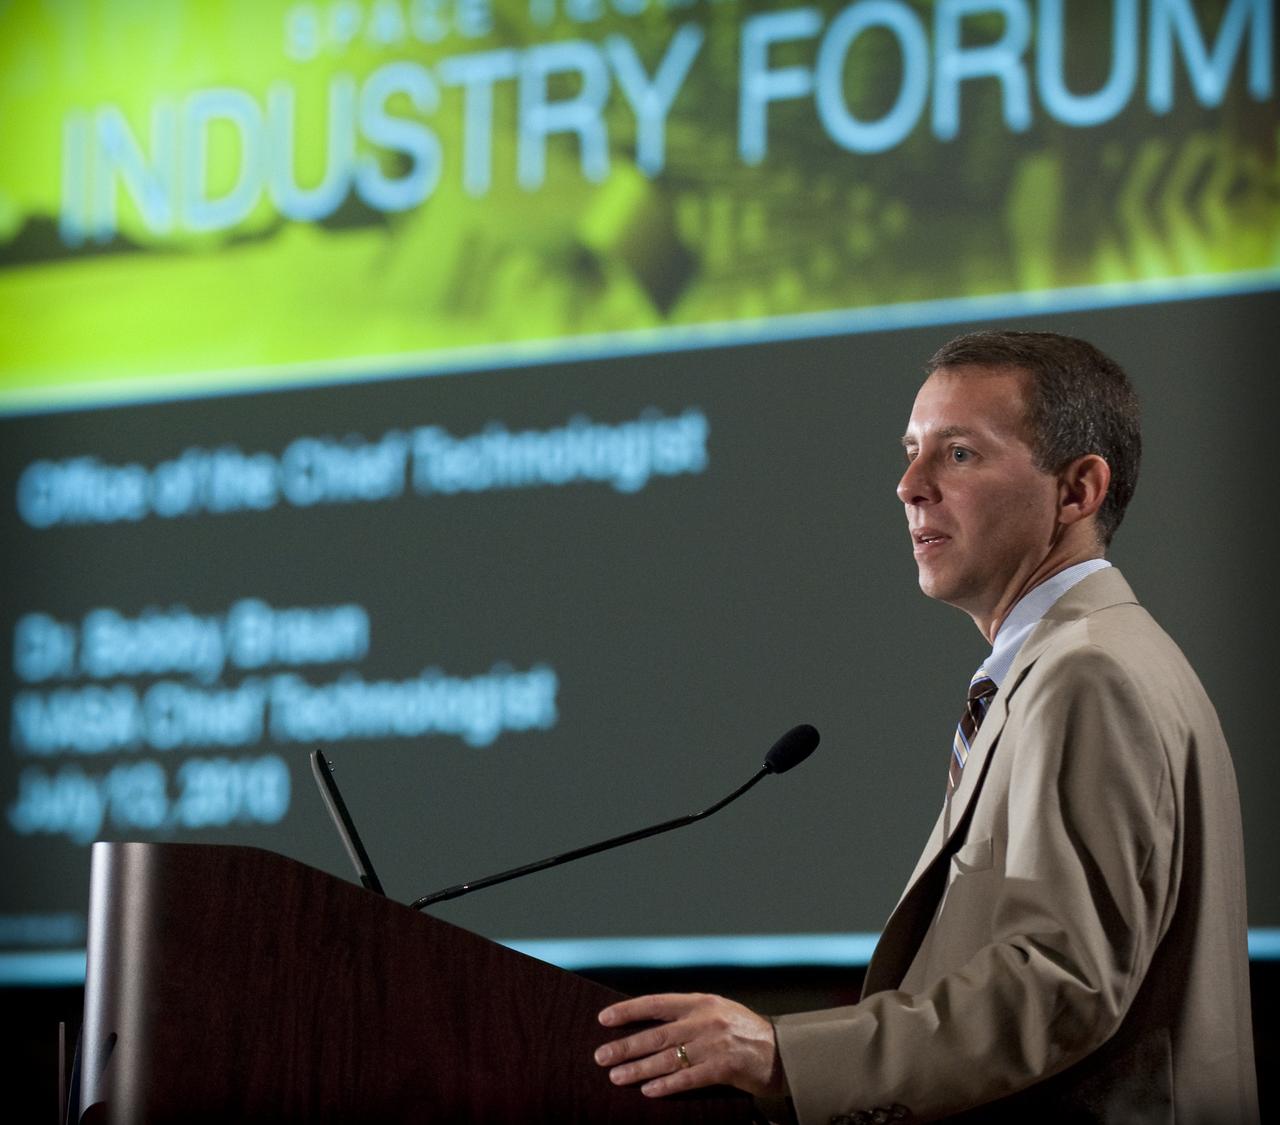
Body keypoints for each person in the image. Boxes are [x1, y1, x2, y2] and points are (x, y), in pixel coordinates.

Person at [592, 331, 1258, 1122]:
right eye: (912, 450)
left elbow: (1058, 984)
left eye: (959, 454)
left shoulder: (1092, 674)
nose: (910, 485)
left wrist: (781, 1055)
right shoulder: (1079, 659)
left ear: (1077, 490)